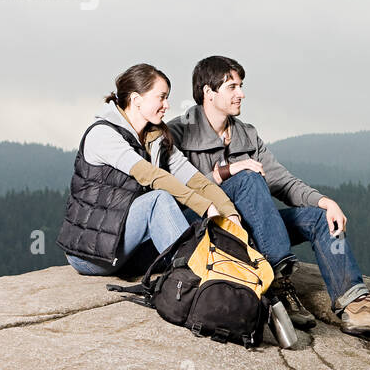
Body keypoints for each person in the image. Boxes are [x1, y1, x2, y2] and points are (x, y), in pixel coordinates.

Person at [168, 55, 370, 337]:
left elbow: (281, 181)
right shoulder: (178, 132)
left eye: (241, 85)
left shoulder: (246, 135)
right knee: (247, 177)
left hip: (253, 228)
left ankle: (358, 308)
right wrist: (228, 170)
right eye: (232, 87)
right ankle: (278, 280)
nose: (241, 94)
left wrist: (325, 202)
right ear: (208, 93)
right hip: (207, 228)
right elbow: (177, 190)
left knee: (321, 219)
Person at [58, 64, 240, 278]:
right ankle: (202, 279)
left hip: (132, 248)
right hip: (93, 254)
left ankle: (238, 271)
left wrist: (229, 213)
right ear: (136, 100)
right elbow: (151, 176)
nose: (167, 105)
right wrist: (206, 207)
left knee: (208, 218)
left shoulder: (156, 139)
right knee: (158, 200)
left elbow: (197, 182)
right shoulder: (102, 135)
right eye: (161, 97)